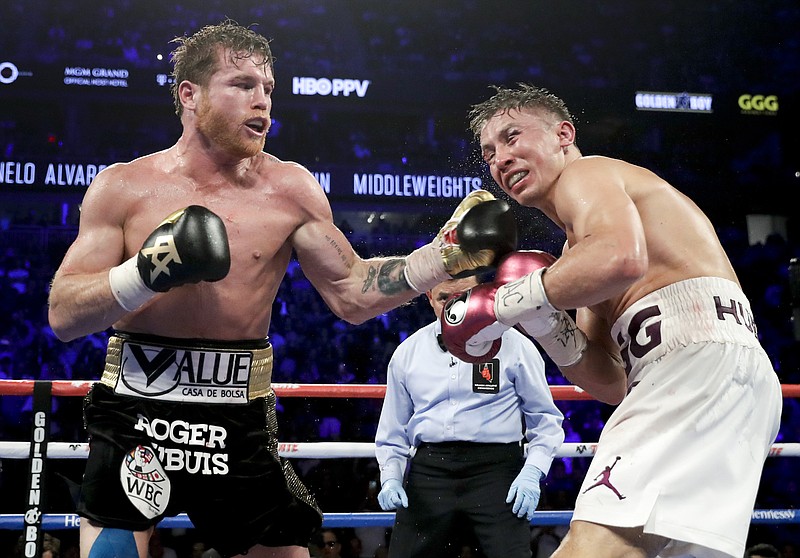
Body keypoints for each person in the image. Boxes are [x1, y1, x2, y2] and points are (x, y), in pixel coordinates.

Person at [46, 20, 515, 558]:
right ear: (189, 95)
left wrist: (444, 256)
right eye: (243, 85)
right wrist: (145, 272)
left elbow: (352, 291)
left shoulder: (290, 189)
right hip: (135, 414)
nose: (263, 101)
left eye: (268, 88)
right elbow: (63, 314)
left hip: (237, 417)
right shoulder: (124, 186)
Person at [444, 83, 783, 558]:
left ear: (564, 134)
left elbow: (623, 258)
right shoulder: (578, 253)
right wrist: (542, 321)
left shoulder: (588, 173)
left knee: (590, 549)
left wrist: (502, 303)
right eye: (488, 152)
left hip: (692, 368)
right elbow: (612, 381)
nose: (499, 158)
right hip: (721, 373)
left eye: (512, 136)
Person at [374, 273, 564, 558]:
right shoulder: (408, 353)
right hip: (430, 471)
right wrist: (390, 477)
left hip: (497, 470)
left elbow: (545, 419)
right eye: (442, 298)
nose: (452, 305)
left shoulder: (514, 344)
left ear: (478, 292)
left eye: (461, 295)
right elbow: (393, 429)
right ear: (428, 298)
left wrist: (532, 473)